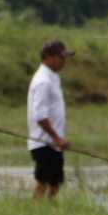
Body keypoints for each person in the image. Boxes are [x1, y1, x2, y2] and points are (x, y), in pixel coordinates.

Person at [27, 38, 72, 200]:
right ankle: (33, 211)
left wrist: (58, 140)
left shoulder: (53, 77)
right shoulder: (43, 81)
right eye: (61, 57)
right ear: (48, 57)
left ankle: (48, 212)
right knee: (43, 182)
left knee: (55, 182)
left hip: (53, 143)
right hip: (43, 142)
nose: (64, 61)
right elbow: (40, 116)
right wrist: (57, 138)